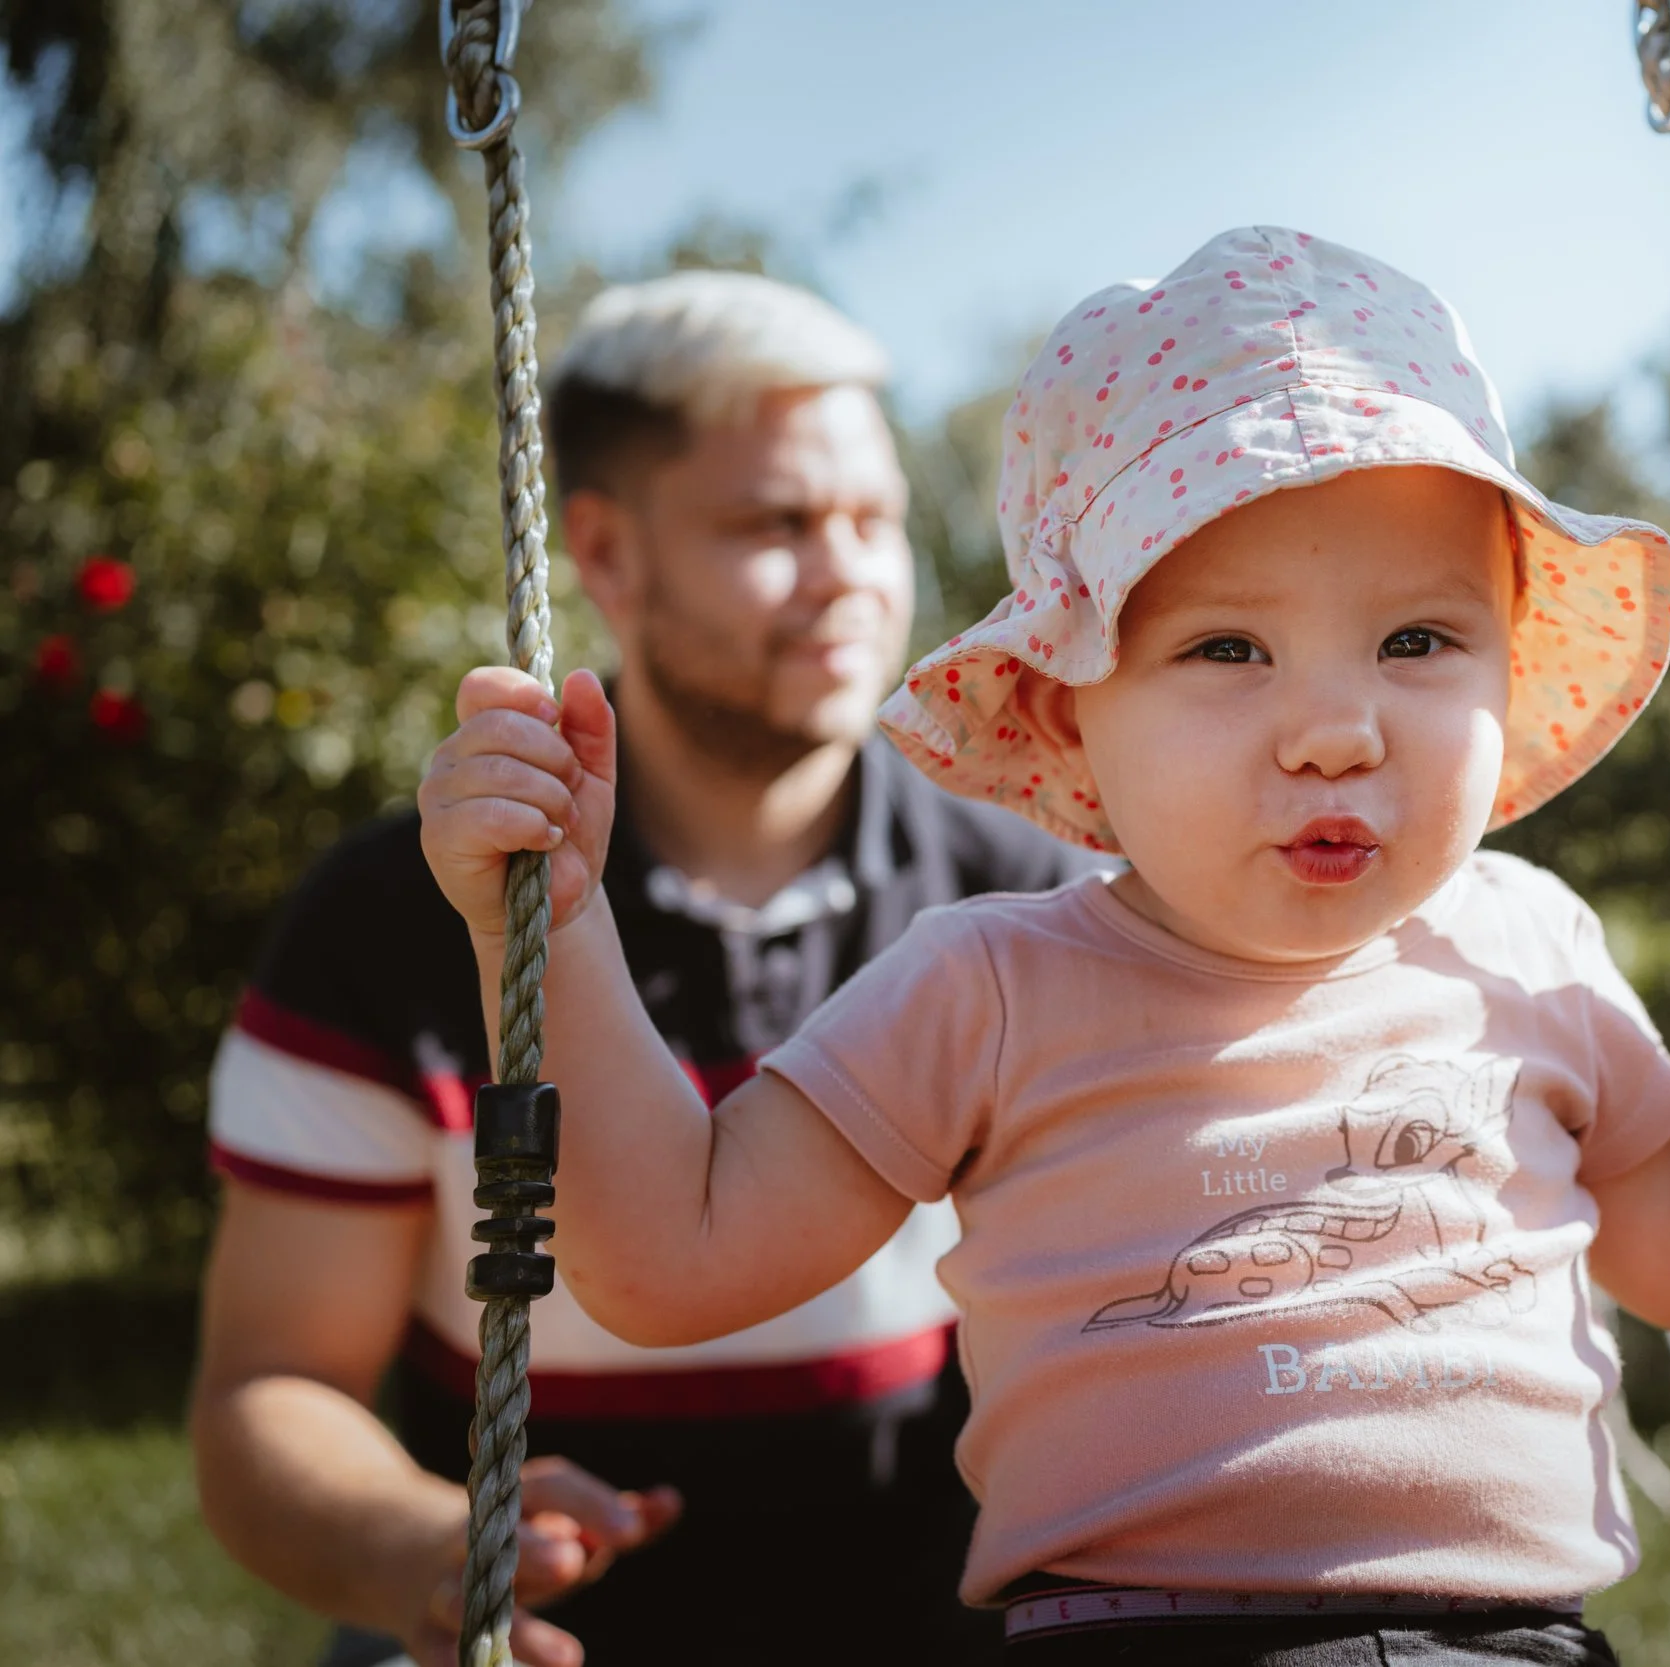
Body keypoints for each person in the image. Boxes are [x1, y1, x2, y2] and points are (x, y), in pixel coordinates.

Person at [416, 227, 1670, 1666]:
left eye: (1417, 642)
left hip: (1514, 1644)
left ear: (1508, 666)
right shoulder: (993, 984)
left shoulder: (1529, 944)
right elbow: (672, 1252)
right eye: (1226, 649)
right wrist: (549, 923)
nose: (1339, 729)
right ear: (1069, 704)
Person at [191, 270, 1100, 1667]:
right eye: (777, 524)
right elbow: (271, 1385)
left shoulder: (1026, 893)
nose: (851, 569)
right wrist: (419, 1545)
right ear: (605, 555)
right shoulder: (398, 918)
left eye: (875, 519)